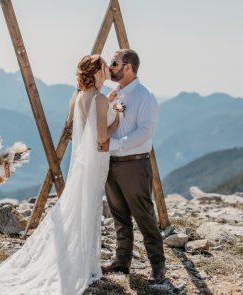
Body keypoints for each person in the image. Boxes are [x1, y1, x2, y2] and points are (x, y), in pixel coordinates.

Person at [0, 54, 119, 294]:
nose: (109, 68)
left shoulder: (81, 97)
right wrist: (117, 116)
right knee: (89, 209)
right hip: (96, 161)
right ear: (98, 72)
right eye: (104, 65)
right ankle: (86, 264)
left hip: (82, 162)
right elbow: (101, 136)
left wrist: (107, 104)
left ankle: (83, 261)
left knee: (80, 208)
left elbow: (86, 126)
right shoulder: (98, 99)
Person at [100, 49, 166, 284]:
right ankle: (122, 260)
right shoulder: (113, 94)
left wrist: (114, 145)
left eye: (114, 62)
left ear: (128, 67)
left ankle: (158, 265)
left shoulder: (144, 95)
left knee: (144, 215)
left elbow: (145, 132)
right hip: (112, 163)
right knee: (119, 215)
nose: (110, 66)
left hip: (134, 165)